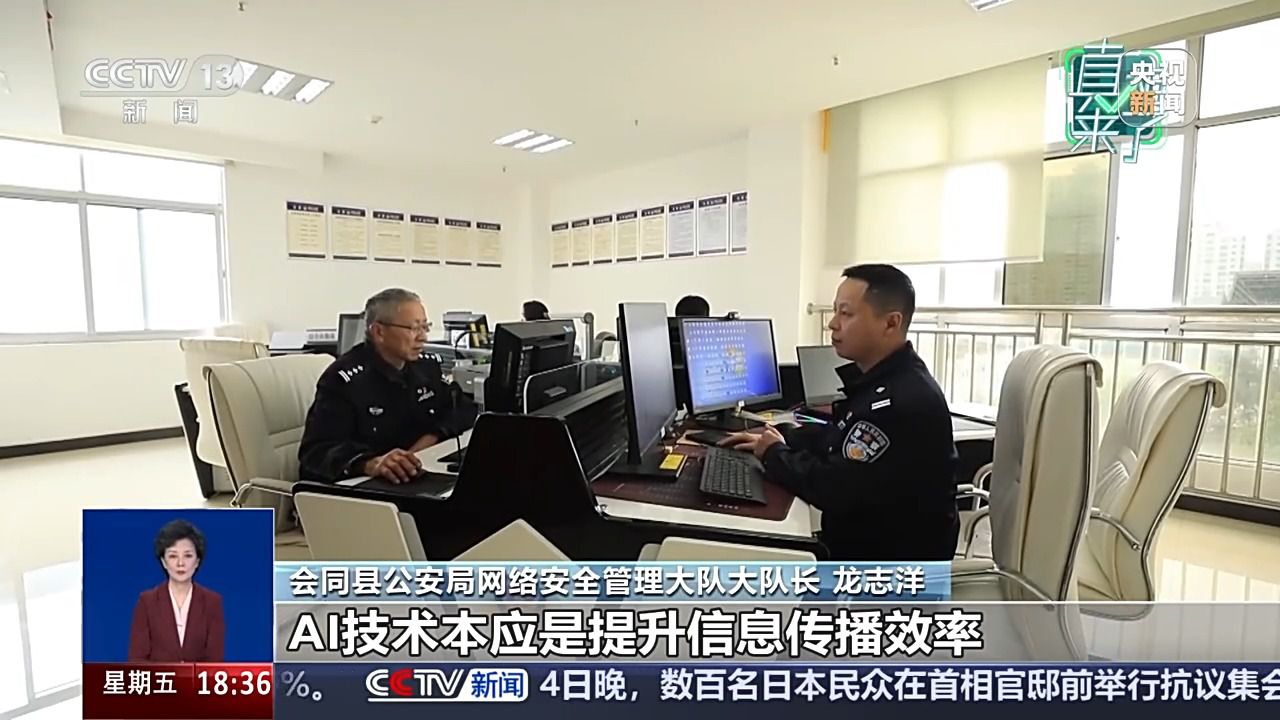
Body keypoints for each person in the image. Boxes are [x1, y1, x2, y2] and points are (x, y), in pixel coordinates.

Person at [719, 264, 959, 560]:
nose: (832, 324)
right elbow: (838, 439)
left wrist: (774, 454)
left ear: (890, 323)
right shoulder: (882, 382)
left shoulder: (901, 401)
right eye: (835, 312)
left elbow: (835, 488)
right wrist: (782, 437)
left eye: (846, 313)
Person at [298, 288, 476, 483]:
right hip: (364, 485)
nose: (423, 337)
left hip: (415, 473)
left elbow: (462, 408)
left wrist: (429, 439)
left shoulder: (425, 367)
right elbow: (316, 451)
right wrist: (370, 463)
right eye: (414, 328)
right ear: (379, 332)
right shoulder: (344, 380)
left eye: (425, 327)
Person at [128, 519, 225, 662]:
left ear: (197, 561)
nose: (180, 563)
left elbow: (215, 661)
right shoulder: (147, 602)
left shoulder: (212, 602)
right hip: (160, 677)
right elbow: (137, 659)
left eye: (188, 556)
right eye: (173, 556)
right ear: (163, 562)